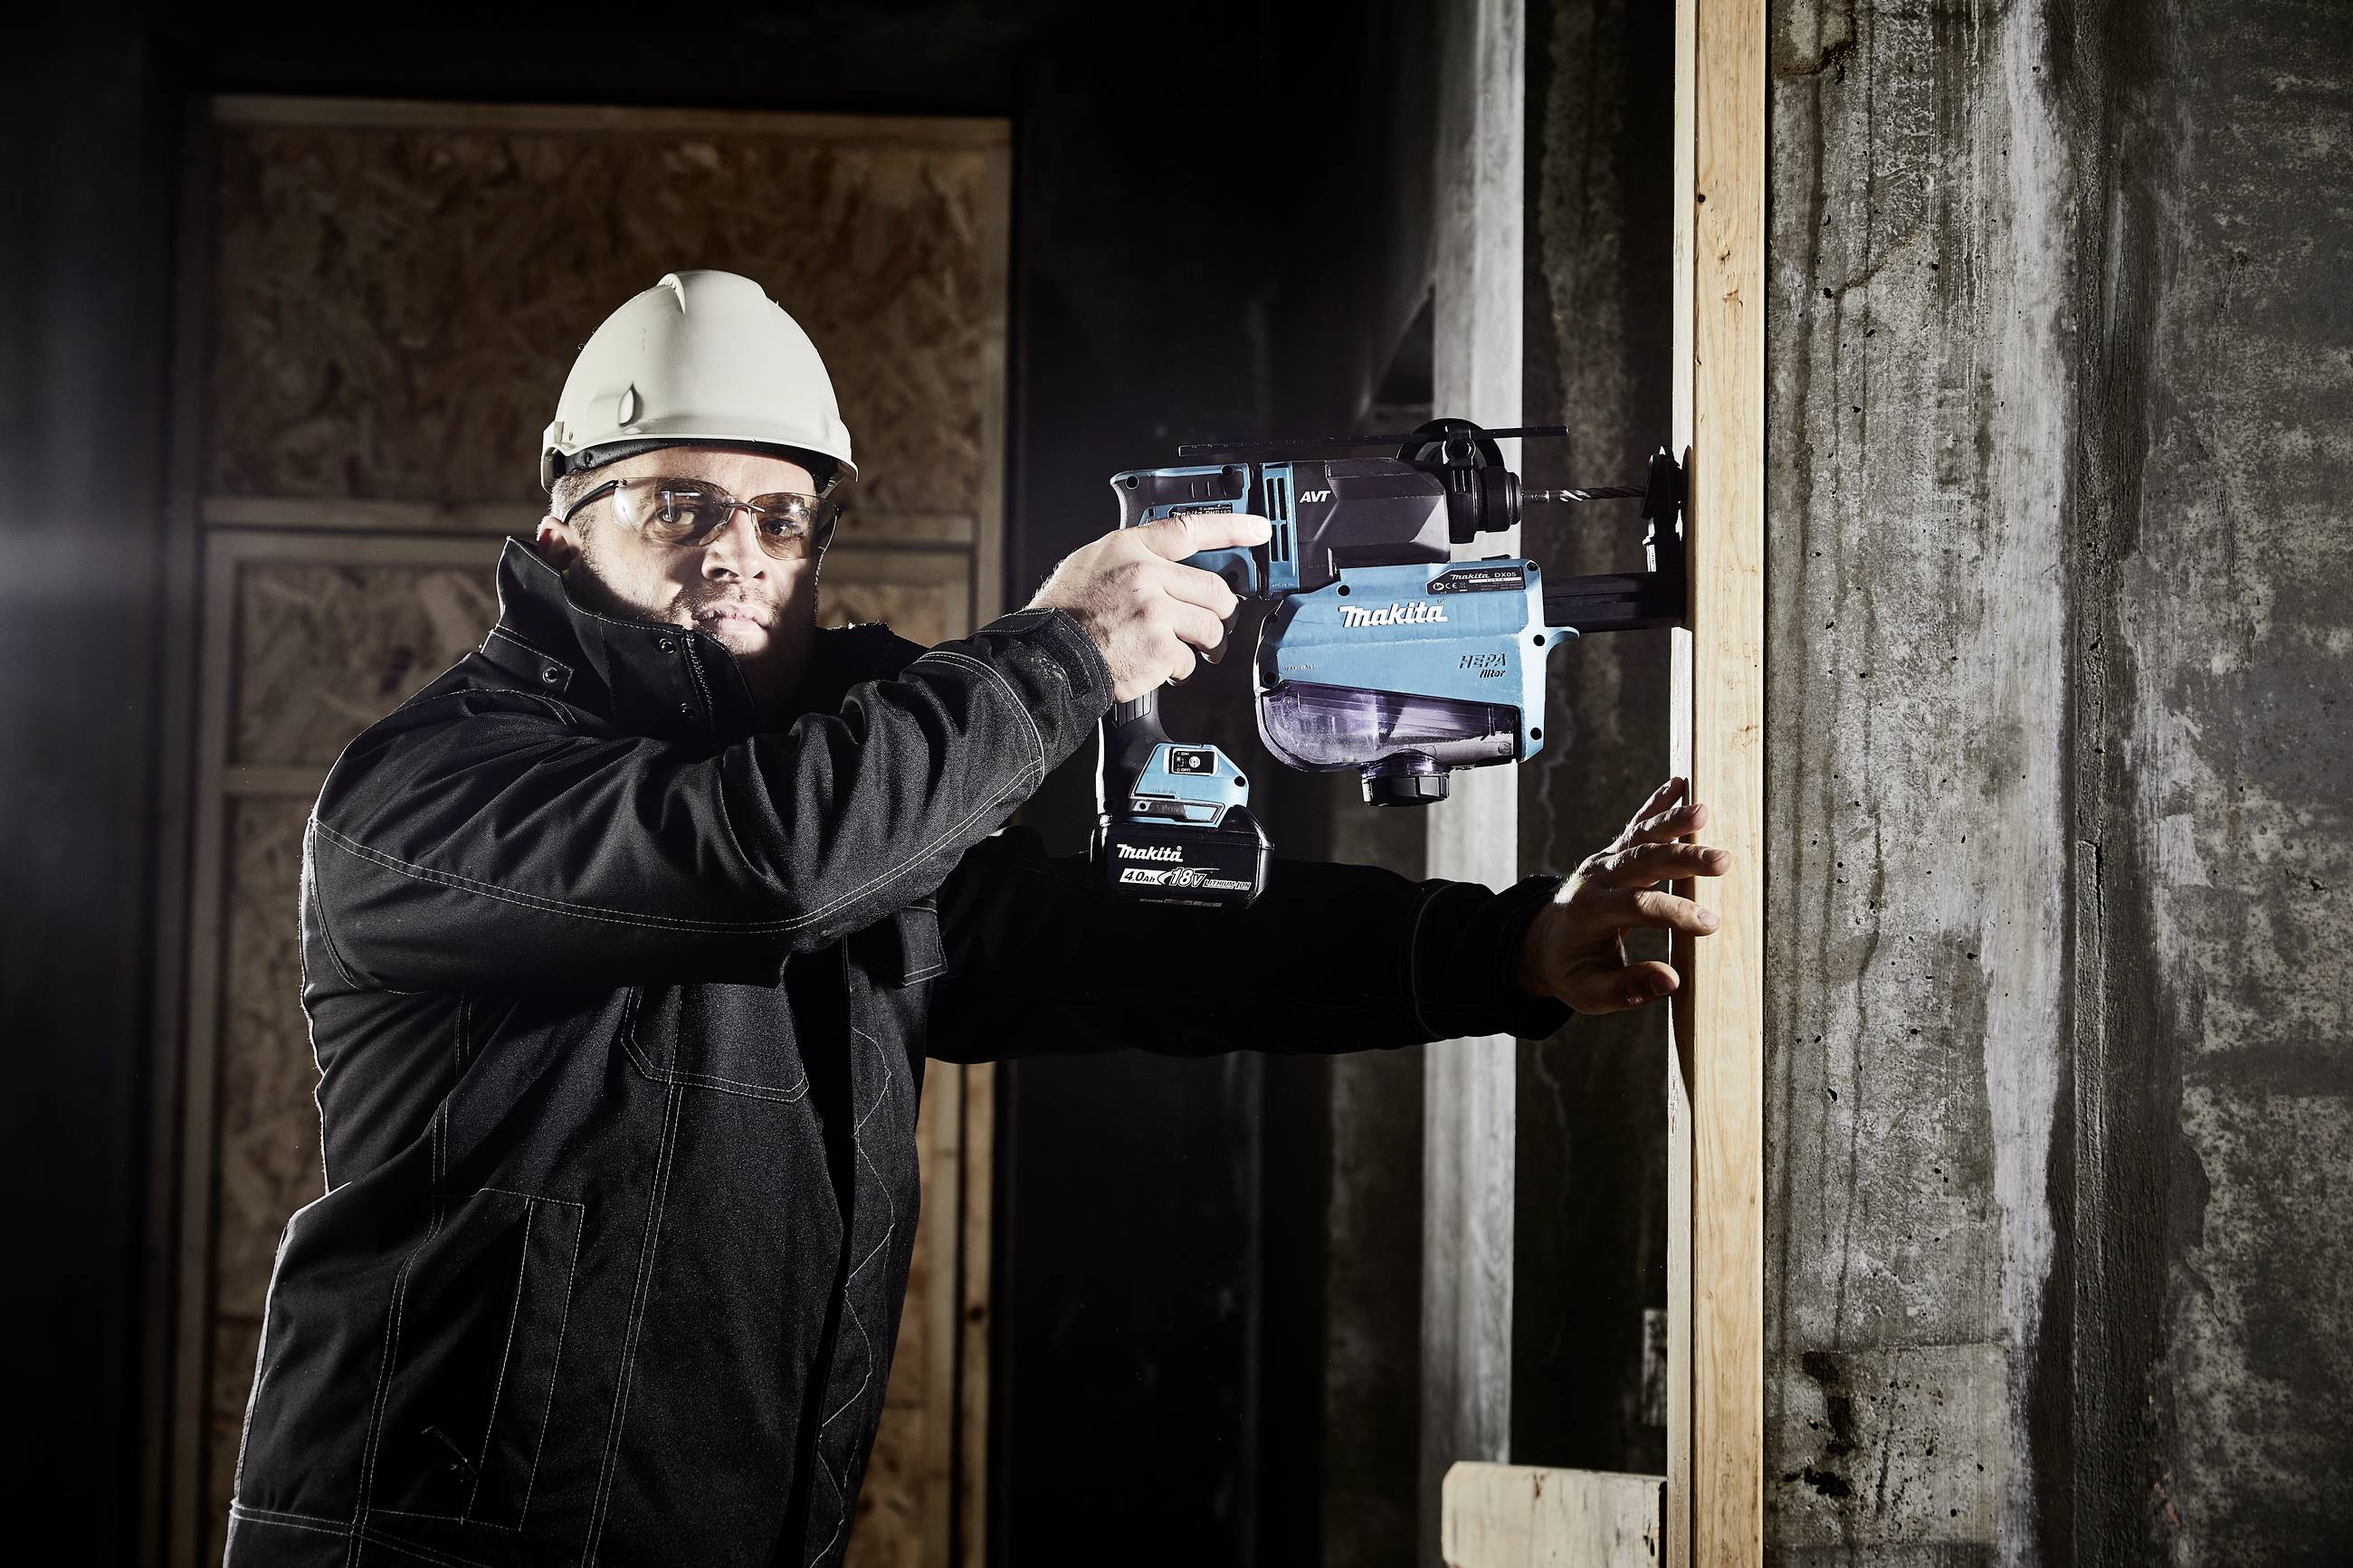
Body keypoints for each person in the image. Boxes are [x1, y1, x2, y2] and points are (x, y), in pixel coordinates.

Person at [220, 270, 1728, 1566]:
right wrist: (1065, 655)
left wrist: (1504, 947)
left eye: (783, 515)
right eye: (681, 504)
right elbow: (759, 865)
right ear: (562, 528)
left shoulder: (849, 819)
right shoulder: (425, 797)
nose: (739, 549)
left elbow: (1127, 944)